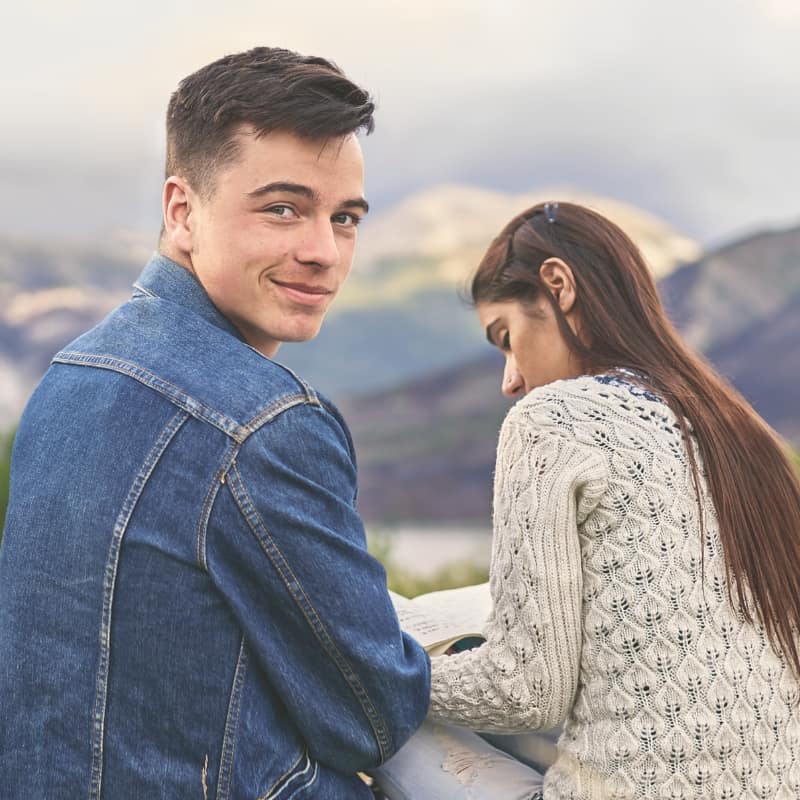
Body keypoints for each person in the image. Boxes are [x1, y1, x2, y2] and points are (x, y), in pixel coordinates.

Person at [0, 47, 430, 799]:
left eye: (346, 218)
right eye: (283, 208)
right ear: (181, 211)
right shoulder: (265, 426)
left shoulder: (69, 376)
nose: (323, 252)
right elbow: (371, 715)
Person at [373, 201, 800, 799]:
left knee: (375, 701)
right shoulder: (742, 434)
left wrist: (374, 679)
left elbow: (524, 688)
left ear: (558, 285)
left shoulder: (552, 420)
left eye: (505, 337)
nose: (509, 379)